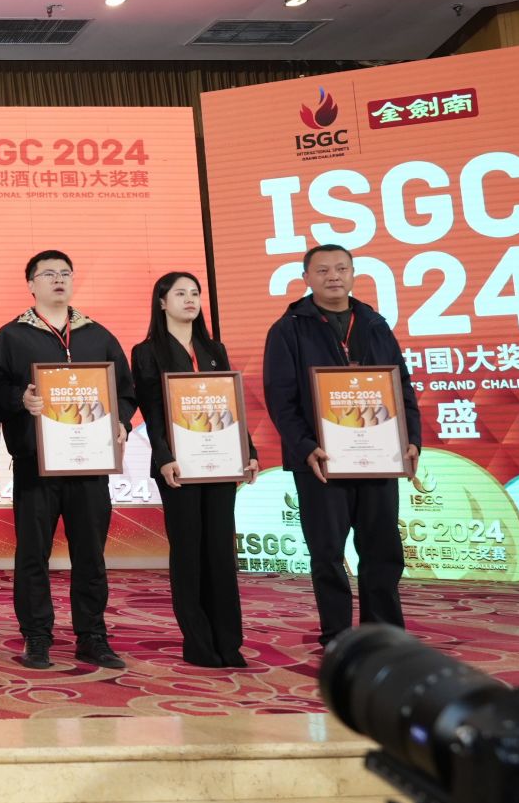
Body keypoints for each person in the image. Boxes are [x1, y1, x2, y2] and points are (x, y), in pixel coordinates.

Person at [262, 243, 421, 647]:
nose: (333, 276)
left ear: (352, 274)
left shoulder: (374, 323)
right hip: (321, 461)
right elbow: (280, 398)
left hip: (379, 456)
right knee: (327, 553)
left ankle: (383, 635)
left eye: (341, 269)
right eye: (322, 270)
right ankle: (337, 636)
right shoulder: (288, 328)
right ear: (306, 278)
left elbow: (401, 387)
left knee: (382, 549)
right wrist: (304, 447)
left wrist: (411, 441)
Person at [0, 249, 136, 671]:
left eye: (65, 273)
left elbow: (125, 391)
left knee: (91, 555)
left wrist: (122, 421)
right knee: (32, 554)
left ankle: (92, 636)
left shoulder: (97, 335)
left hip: (89, 465)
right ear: (30, 284)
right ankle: (37, 637)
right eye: (48, 273)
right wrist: (20, 398)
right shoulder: (11, 336)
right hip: (37, 465)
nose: (58, 279)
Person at [131, 271, 259, 668]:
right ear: (161, 302)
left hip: (221, 462)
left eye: (195, 293)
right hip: (179, 466)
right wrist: (164, 456)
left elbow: (230, 405)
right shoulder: (147, 352)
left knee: (220, 551)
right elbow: (152, 410)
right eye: (180, 293)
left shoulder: (214, 349)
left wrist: (249, 451)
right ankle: (199, 643)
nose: (190, 300)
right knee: (188, 551)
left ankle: (229, 643)